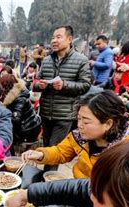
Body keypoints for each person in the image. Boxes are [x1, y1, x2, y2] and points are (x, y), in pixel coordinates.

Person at [21, 91, 129, 178]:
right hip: (80, 188)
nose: (79, 125)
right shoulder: (81, 136)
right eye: (78, 118)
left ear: (108, 123)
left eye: (86, 121)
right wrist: (41, 154)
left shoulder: (128, 152)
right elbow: (61, 151)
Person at [34, 25, 91, 170]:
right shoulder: (46, 60)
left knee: (55, 150)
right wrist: (38, 85)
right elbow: (37, 81)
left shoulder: (81, 60)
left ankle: (47, 184)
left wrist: (64, 85)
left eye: (58, 37)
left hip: (65, 114)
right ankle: (46, 180)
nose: (54, 40)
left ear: (70, 39)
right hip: (46, 113)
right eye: (53, 37)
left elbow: (85, 85)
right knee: (47, 147)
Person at [0, 74, 41, 147]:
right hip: (28, 124)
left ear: (6, 86)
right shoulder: (14, 94)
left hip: (28, 128)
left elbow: (16, 119)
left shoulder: (20, 98)